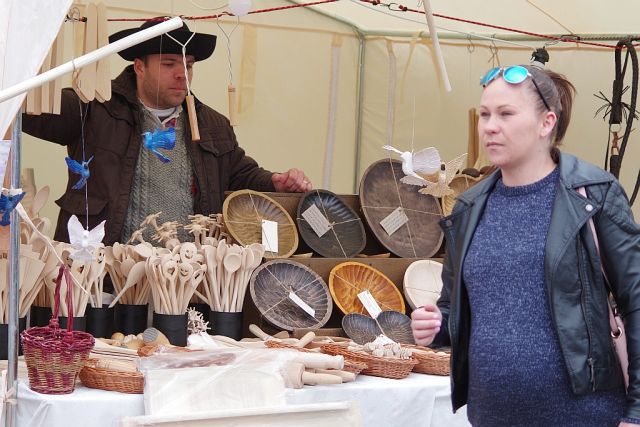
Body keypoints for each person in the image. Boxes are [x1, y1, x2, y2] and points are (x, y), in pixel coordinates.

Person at [411, 64, 640, 426]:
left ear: (546, 123)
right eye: (485, 114)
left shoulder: (594, 194)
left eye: (506, 114)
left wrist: (637, 412)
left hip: (584, 417)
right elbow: (454, 309)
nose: (490, 126)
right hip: (492, 416)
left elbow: (636, 299)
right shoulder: (469, 208)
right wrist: (437, 325)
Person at [22, 19, 312, 245]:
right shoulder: (94, 106)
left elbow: (240, 174)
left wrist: (275, 181)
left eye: (188, 65)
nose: (182, 74)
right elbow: (29, 110)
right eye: (169, 64)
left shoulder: (213, 124)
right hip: (104, 275)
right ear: (139, 67)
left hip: (184, 276)